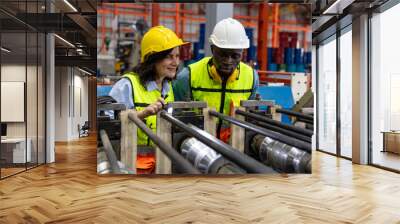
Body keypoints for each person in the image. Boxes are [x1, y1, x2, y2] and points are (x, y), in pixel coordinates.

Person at [109, 25, 187, 174]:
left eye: (177, 56)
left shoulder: (168, 87)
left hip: (161, 161)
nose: (176, 63)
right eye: (169, 56)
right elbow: (108, 125)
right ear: (153, 59)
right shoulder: (128, 85)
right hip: (131, 161)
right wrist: (140, 115)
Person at [173, 18, 259, 142]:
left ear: (242, 53)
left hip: (233, 148)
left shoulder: (251, 78)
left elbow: (249, 119)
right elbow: (177, 120)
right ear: (213, 49)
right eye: (223, 54)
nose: (228, 61)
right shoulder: (188, 77)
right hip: (196, 147)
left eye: (235, 56)